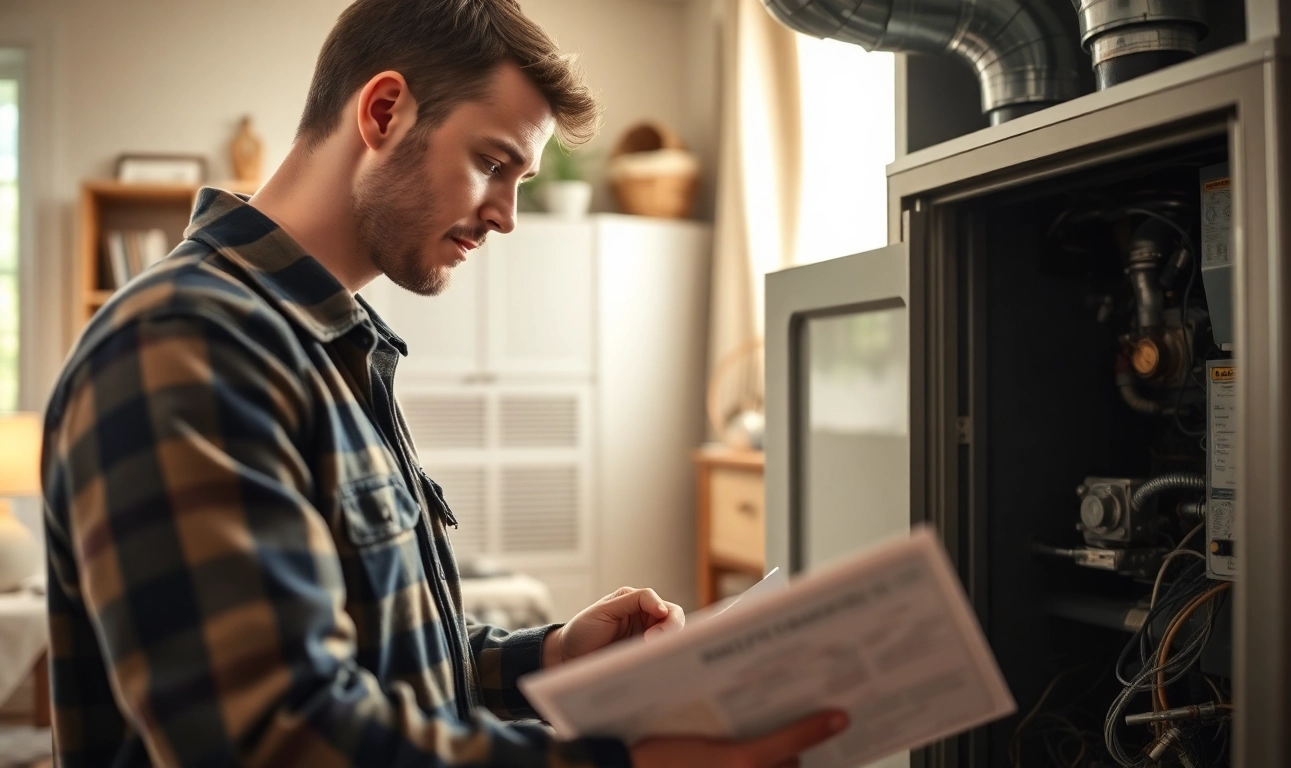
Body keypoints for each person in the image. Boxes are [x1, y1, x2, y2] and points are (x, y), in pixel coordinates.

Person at [40, 1, 847, 766]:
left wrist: (549, 657)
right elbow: (274, 738)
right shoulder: (186, 344)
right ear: (384, 112)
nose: (507, 216)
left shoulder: (328, 345)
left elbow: (380, 658)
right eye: (492, 163)